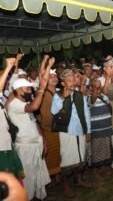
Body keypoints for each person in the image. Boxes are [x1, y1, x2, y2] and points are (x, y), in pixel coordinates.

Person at [8, 57, 54, 200]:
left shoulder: (25, 101)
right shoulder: (14, 104)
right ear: (18, 90)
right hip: (25, 148)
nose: (30, 90)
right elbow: (34, 107)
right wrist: (41, 89)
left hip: (36, 144)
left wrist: (43, 140)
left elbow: (34, 122)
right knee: (28, 180)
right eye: (27, 88)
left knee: (37, 178)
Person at [51, 69, 92, 198]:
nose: (72, 82)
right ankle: (66, 185)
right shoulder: (58, 95)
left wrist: (88, 131)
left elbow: (86, 113)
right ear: (63, 83)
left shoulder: (79, 95)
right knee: (67, 159)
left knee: (80, 157)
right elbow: (53, 111)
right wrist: (64, 97)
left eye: (73, 79)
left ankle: (78, 180)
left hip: (79, 130)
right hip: (66, 132)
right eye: (69, 80)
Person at [0, 58, 23, 179]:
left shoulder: (2, 98)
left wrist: (14, 64)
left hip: (7, 142)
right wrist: (8, 67)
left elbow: (14, 79)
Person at [88, 78, 113, 180]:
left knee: (106, 149)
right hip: (96, 129)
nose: (98, 88)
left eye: (99, 86)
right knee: (96, 151)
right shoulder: (89, 98)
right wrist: (95, 90)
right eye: (95, 86)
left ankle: (104, 167)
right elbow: (92, 101)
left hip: (107, 127)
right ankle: (95, 172)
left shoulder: (105, 96)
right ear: (91, 87)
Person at [39, 61, 61, 183]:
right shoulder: (42, 92)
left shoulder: (58, 92)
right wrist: (47, 64)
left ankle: (58, 177)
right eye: (51, 76)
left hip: (58, 128)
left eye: (55, 76)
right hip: (48, 129)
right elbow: (41, 75)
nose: (54, 78)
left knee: (58, 154)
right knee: (50, 156)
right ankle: (50, 180)